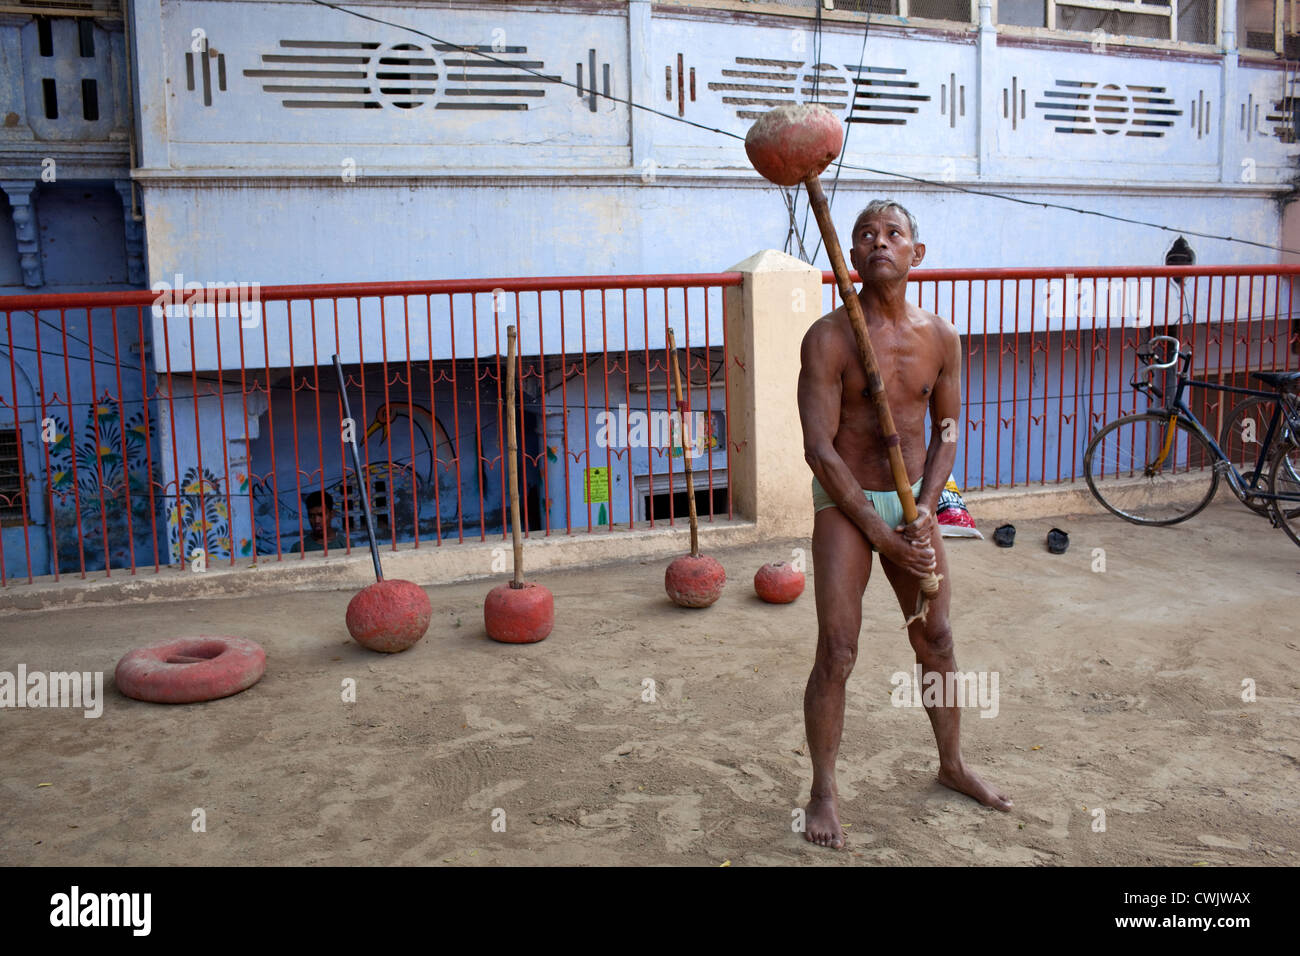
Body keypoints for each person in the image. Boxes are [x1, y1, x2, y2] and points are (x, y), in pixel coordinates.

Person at [797, 200, 1012, 850]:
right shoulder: (830, 337)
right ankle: (823, 790)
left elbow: (946, 430)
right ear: (853, 257)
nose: (878, 242)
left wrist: (925, 504)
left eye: (893, 233)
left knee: (938, 639)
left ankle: (951, 765)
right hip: (846, 502)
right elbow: (819, 449)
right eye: (865, 235)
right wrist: (879, 531)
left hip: (911, 502)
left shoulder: (941, 338)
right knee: (838, 651)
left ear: (917, 253)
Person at [294, 490, 345, 554]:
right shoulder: (298, 548)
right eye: (311, 516)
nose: (316, 521)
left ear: (332, 514)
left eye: (321, 515)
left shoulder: (345, 545)